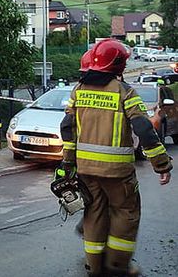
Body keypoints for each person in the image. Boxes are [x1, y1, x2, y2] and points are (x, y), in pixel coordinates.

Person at [60, 39, 172, 277]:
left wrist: (67, 164)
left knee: (93, 214)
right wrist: (161, 164)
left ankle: (93, 265)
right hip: (118, 173)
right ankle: (117, 266)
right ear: (119, 65)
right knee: (125, 213)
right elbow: (143, 129)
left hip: (85, 171)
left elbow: (68, 128)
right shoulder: (124, 92)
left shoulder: (78, 91)